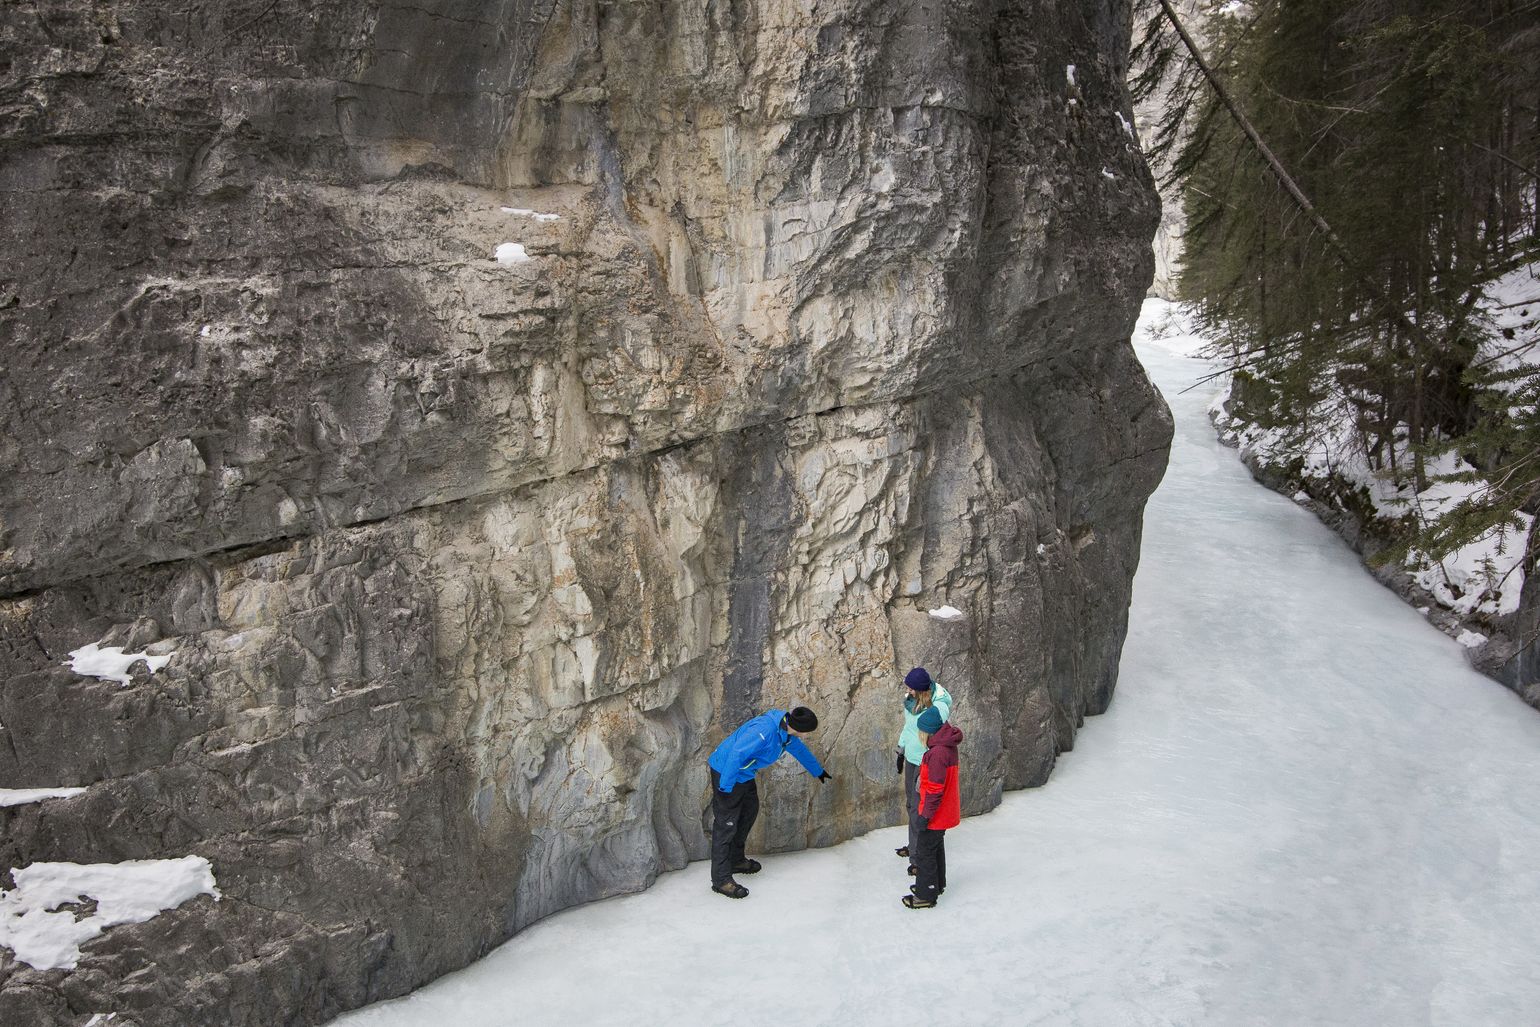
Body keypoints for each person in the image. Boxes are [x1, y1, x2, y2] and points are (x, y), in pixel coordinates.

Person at [706, 705, 831, 898]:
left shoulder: (786, 732)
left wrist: (818, 771)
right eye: (807, 733)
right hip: (727, 773)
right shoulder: (764, 731)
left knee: (749, 812)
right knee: (726, 824)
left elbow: (800, 750)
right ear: (800, 729)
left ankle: (736, 860)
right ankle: (721, 880)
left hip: (744, 775)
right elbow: (737, 753)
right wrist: (725, 786)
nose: (805, 736)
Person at [893, 667, 953, 870]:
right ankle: (914, 846)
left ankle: (919, 859)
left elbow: (942, 714)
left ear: (921, 690)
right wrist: (901, 749)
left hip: (925, 763)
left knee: (920, 809)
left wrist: (936, 709)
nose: (907, 691)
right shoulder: (912, 701)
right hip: (911, 758)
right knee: (911, 804)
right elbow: (908, 727)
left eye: (911, 688)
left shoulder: (938, 702)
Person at [905, 705, 961, 909]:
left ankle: (925, 895)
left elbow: (935, 790)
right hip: (945, 812)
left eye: (921, 731)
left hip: (935, 814)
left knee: (925, 851)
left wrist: (925, 817)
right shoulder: (946, 747)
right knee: (935, 847)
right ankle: (936, 884)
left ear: (928, 731)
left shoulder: (937, 754)